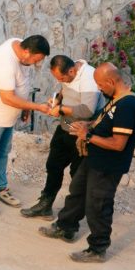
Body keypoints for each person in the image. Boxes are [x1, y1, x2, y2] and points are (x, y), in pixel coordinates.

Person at [39, 63, 135, 262]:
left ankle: (98, 248)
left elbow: (118, 143)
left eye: (100, 84)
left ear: (112, 81)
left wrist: (87, 136)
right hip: (94, 159)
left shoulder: (129, 105)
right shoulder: (116, 98)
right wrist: (89, 124)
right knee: (77, 193)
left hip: (108, 165)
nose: (98, 88)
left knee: (98, 205)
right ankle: (65, 228)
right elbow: (105, 121)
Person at [0, 35, 52, 217]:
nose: (36, 64)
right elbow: (7, 97)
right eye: (36, 60)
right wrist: (36, 106)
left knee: (3, 151)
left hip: (7, 116)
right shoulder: (4, 62)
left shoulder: (20, 46)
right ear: (27, 52)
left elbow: (22, 83)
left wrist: (25, 104)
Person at [20, 55, 104, 219]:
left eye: (61, 78)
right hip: (65, 127)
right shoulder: (70, 68)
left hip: (81, 132)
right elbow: (63, 90)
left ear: (72, 71)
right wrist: (57, 99)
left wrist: (61, 109)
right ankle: (45, 205)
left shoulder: (89, 78)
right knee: (53, 165)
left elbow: (87, 110)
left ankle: (71, 219)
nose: (60, 80)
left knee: (77, 175)